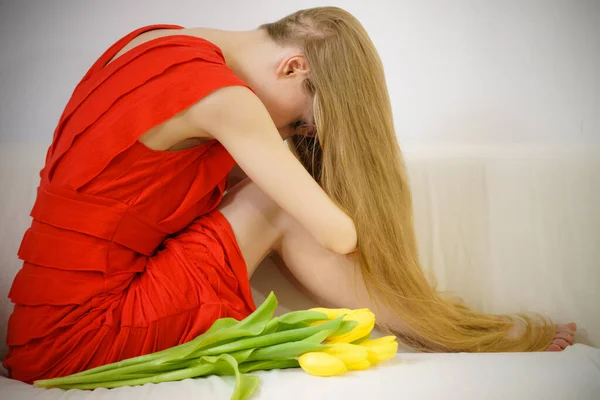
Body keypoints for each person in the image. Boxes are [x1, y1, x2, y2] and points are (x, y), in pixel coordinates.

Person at [4, 6, 576, 383]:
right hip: (82, 334)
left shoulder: (159, 41)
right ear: (294, 65)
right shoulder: (225, 100)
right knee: (275, 202)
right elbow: (337, 233)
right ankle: (450, 334)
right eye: (303, 123)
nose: (289, 135)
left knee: (263, 193)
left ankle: (444, 328)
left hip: (37, 328)